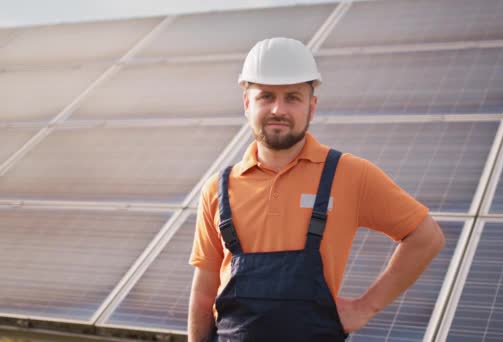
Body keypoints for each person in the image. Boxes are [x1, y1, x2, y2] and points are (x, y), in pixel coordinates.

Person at [188, 37, 445, 342]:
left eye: (293, 97)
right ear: (247, 103)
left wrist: (365, 307)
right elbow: (204, 293)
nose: (278, 109)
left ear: (312, 105)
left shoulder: (351, 174)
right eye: (266, 96)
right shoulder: (219, 188)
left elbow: (426, 237)